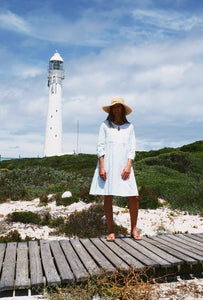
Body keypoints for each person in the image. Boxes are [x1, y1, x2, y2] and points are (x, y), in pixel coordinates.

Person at [90, 96, 141, 242]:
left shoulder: (129, 127)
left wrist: (128, 165)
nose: (116, 109)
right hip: (109, 164)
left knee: (134, 196)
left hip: (124, 165)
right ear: (111, 109)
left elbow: (132, 148)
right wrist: (101, 166)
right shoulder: (105, 125)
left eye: (119, 106)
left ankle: (134, 229)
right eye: (114, 106)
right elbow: (100, 147)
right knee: (108, 196)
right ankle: (111, 231)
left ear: (123, 109)